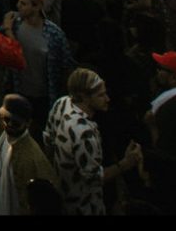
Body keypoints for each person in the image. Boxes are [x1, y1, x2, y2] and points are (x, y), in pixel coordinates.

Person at [44, 68, 140, 216]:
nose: (107, 99)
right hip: (83, 205)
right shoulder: (83, 132)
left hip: (62, 193)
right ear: (84, 97)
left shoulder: (62, 103)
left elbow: (48, 141)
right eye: (101, 95)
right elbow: (95, 178)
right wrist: (126, 163)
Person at [0, 93, 57, 214]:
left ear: (28, 123)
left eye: (16, 123)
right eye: (7, 120)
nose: (10, 126)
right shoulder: (2, 132)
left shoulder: (31, 156)